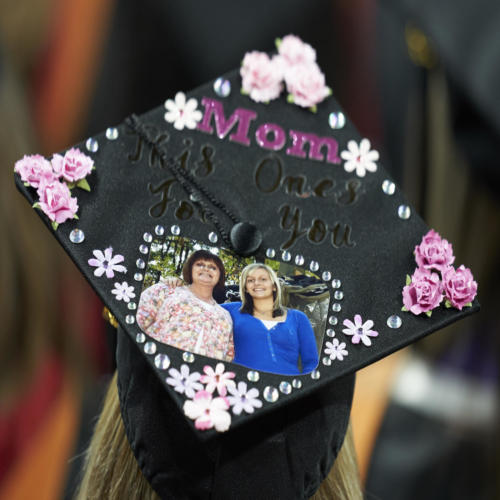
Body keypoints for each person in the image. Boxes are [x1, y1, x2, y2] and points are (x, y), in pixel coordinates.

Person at [136, 250, 234, 362]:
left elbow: (228, 356)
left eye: (213, 267)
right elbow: (136, 324)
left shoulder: (225, 317)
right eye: (200, 264)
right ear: (190, 269)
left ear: (220, 275)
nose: (206, 269)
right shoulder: (166, 291)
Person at [222, 263, 319, 375]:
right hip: (242, 386)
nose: (257, 283)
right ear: (246, 288)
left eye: (263, 279)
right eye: (250, 280)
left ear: (274, 286)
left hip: (289, 386)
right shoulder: (231, 310)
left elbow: (312, 363)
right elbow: (201, 309)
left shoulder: (298, 317)